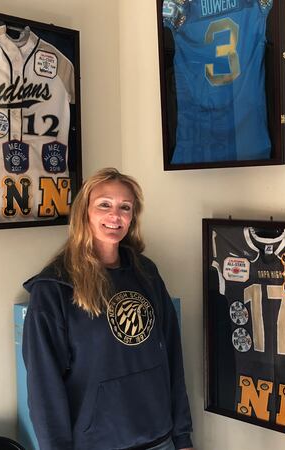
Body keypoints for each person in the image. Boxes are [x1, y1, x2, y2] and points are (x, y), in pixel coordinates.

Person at [22, 168, 194, 450]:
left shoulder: (146, 273)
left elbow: (172, 357)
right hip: (98, 443)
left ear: (132, 217)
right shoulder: (54, 287)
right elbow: (44, 389)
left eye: (125, 207)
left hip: (159, 439)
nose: (115, 216)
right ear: (84, 212)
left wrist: (182, 437)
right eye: (104, 204)